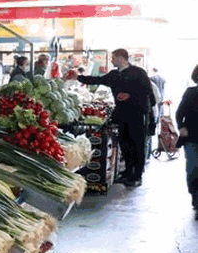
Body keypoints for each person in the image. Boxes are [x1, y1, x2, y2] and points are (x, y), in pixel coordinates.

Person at [75, 49, 156, 188]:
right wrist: (78, 77)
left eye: (113, 58)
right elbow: (97, 80)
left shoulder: (138, 73)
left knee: (137, 143)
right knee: (124, 143)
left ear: (121, 58)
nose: (111, 60)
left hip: (136, 114)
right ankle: (127, 172)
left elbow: (147, 92)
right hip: (121, 114)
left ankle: (137, 176)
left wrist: (130, 95)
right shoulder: (114, 75)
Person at [175, 64, 198, 217]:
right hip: (192, 138)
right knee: (194, 169)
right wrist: (181, 127)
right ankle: (196, 201)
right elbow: (179, 113)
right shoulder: (191, 93)